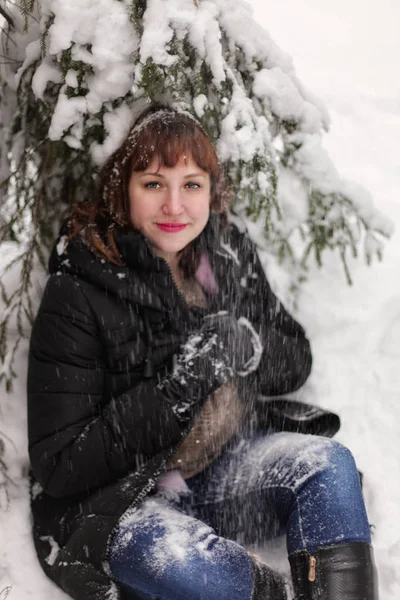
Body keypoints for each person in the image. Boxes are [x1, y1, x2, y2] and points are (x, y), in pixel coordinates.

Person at [27, 105, 378, 600]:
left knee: (327, 464)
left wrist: (247, 345)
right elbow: (60, 466)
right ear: (123, 192)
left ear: (212, 193)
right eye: (153, 184)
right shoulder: (79, 287)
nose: (174, 205)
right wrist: (178, 387)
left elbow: (295, 358)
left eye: (191, 184)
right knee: (187, 567)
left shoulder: (226, 252)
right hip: (126, 501)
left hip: (223, 469)